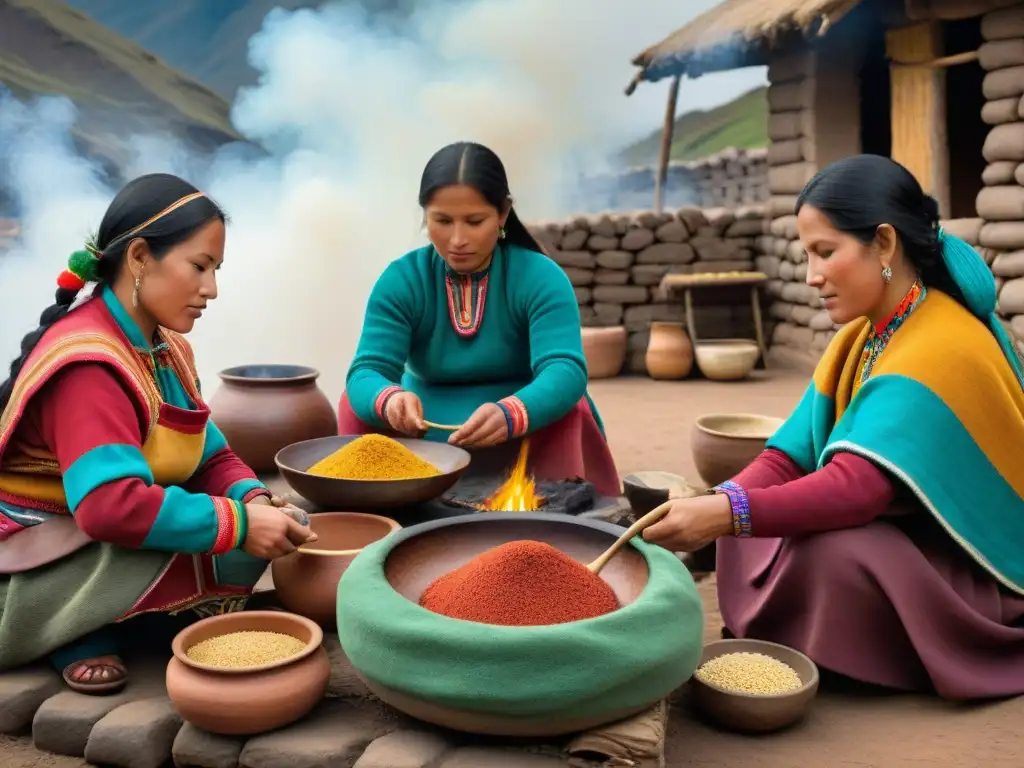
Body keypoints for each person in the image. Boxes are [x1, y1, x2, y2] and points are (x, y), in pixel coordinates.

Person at [643, 154, 1024, 700]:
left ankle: (871, 651)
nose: (811, 275)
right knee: (747, 522)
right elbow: (788, 455)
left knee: (826, 553)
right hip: (892, 535)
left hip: (968, 566)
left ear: (885, 244)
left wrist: (725, 514)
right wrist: (720, 502)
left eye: (825, 252)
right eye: (806, 255)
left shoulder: (942, 342)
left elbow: (859, 489)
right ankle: (817, 634)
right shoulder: (864, 335)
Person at [0, 173, 316, 694]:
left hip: (95, 535)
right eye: (199, 266)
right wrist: (238, 523)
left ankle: (133, 619)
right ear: (141, 257)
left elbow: (209, 455)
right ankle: (68, 626)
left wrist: (254, 497)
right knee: (232, 542)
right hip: (39, 553)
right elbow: (108, 506)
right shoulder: (88, 365)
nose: (211, 289)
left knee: (250, 538)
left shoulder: (165, 347)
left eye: (215, 270)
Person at [337, 142, 620, 496]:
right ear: (424, 215)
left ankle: (556, 518)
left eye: (475, 221)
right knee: (355, 403)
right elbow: (366, 372)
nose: (458, 239)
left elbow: (565, 369)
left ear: (502, 214)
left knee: (570, 407)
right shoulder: (402, 279)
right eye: (442, 221)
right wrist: (390, 400)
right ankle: (373, 516)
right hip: (423, 426)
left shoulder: (539, 276)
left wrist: (514, 413)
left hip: (524, 419)